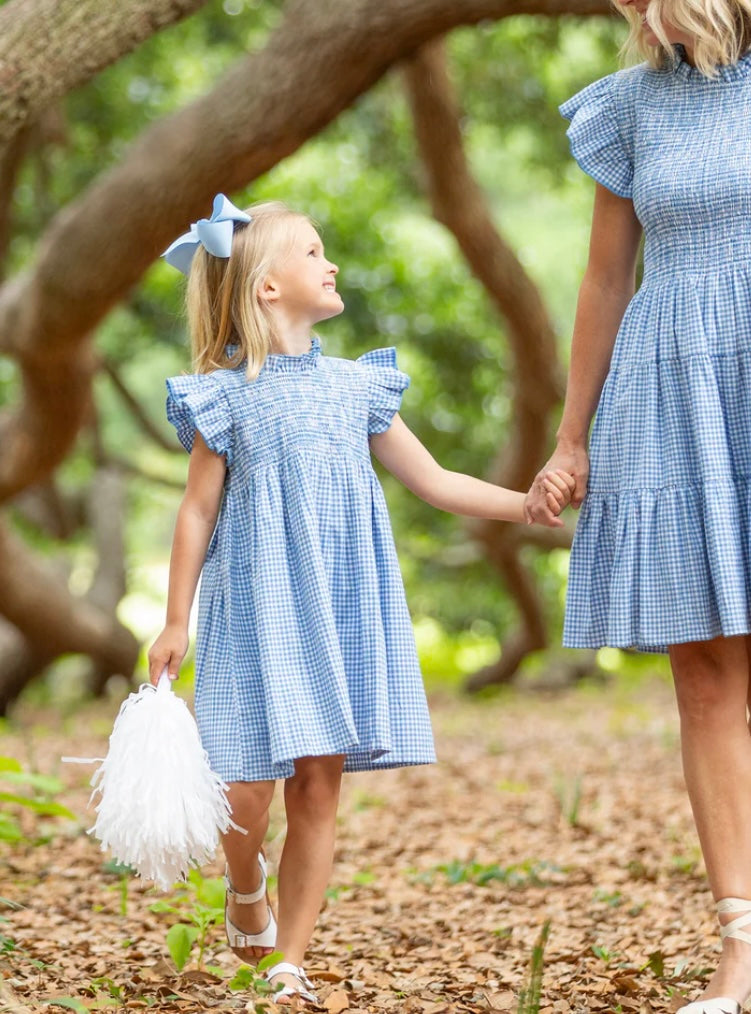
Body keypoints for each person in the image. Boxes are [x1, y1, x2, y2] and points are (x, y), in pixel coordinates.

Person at [148, 195, 573, 1006]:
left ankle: (289, 963)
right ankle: (245, 882)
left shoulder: (357, 388)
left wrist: (525, 503)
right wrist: (175, 617)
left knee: (319, 784)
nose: (329, 263)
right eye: (311, 252)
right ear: (267, 287)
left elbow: (437, 481)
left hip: (342, 608)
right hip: (258, 611)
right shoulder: (223, 397)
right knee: (243, 789)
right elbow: (197, 509)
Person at [524, 0, 751, 1011]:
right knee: (704, 677)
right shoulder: (626, 108)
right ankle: (743, 945)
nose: (630, 10)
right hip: (669, 390)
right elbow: (605, 278)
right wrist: (571, 438)